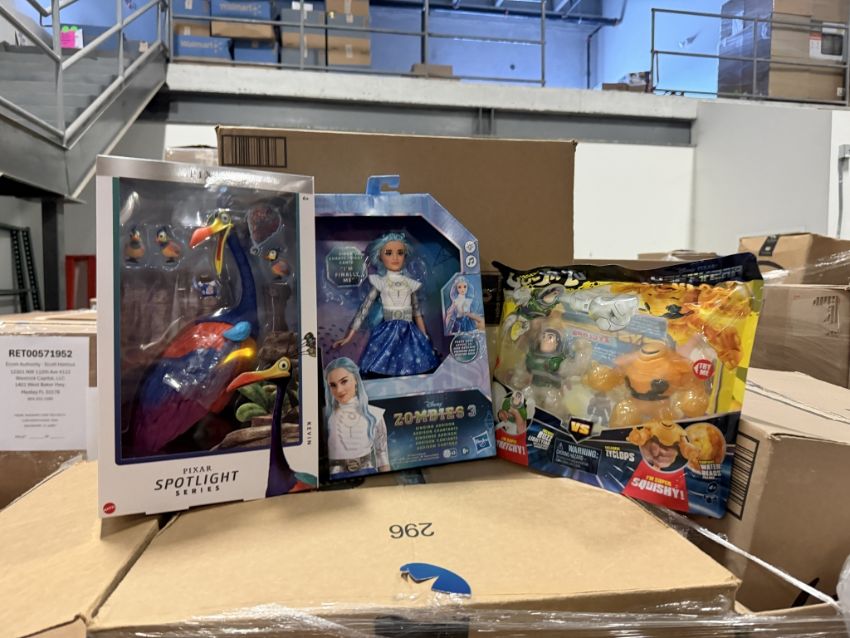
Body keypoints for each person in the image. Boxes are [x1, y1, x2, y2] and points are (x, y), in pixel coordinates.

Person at [333, 232, 439, 377]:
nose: (395, 257)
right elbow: (364, 310)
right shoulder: (380, 282)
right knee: (383, 365)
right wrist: (349, 336)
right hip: (387, 332)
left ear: (405, 255)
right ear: (379, 256)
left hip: (410, 333)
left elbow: (417, 313)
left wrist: (425, 336)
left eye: (400, 253)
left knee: (413, 367)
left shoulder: (410, 284)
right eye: (389, 253)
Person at [323, 357, 390, 477]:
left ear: (356, 379)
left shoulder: (374, 414)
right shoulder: (326, 416)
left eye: (344, 381)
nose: (339, 390)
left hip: (368, 475)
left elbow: (382, 455)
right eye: (333, 385)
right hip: (335, 478)